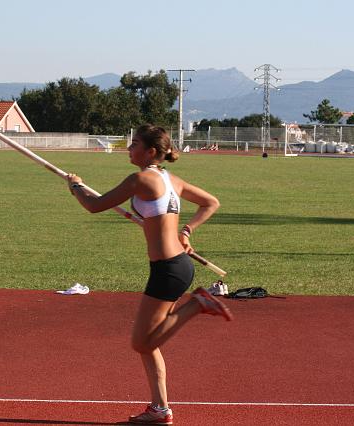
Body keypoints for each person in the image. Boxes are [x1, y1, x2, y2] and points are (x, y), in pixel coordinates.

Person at [67, 124, 233, 425]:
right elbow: (211, 203)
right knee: (150, 341)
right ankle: (160, 409)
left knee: (140, 342)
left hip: (168, 270)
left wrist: (76, 185)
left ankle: (198, 304)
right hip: (177, 265)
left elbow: (93, 205)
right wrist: (186, 230)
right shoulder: (171, 179)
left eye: (135, 144)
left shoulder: (140, 179)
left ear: (151, 151)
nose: (129, 148)